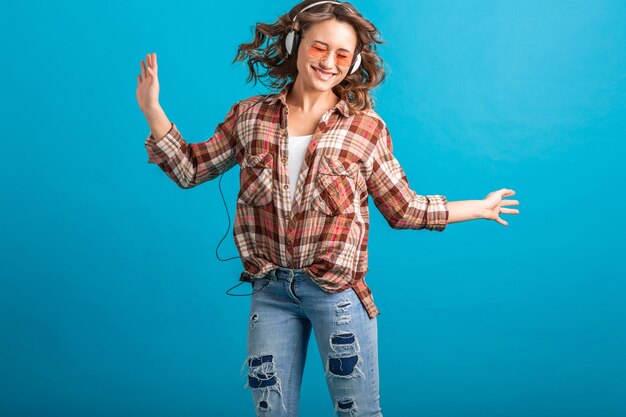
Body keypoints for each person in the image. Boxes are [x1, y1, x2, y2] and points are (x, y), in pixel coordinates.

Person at [136, 1, 520, 415]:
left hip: (336, 294)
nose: (329, 62)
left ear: (353, 63)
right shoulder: (250, 117)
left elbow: (403, 209)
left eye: (342, 54)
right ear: (294, 44)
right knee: (272, 411)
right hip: (270, 292)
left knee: (357, 412)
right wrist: (153, 110)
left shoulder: (366, 128)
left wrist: (478, 208)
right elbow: (191, 169)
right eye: (320, 47)